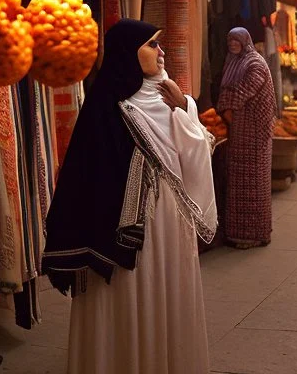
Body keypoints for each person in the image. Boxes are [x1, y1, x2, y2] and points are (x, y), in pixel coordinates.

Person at [42, 19, 217, 372]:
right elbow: (86, 177)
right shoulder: (107, 105)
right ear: (128, 52)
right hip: (123, 235)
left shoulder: (169, 96)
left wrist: (184, 106)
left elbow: (199, 149)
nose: (161, 51)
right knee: (129, 298)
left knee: (165, 296)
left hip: (170, 221)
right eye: (153, 44)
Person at [218, 27, 277, 248]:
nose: (233, 44)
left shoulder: (253, 63)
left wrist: (225, 105)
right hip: (240, 128)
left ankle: (253, 234)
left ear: (245, 41)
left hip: (255, 129)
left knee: (254, 181)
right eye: (230, 40)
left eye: (236, 40)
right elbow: (228, 92)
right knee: (239, 181)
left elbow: (243, 91)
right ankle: (238, 233)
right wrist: (226, 105)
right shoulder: (234, 61)